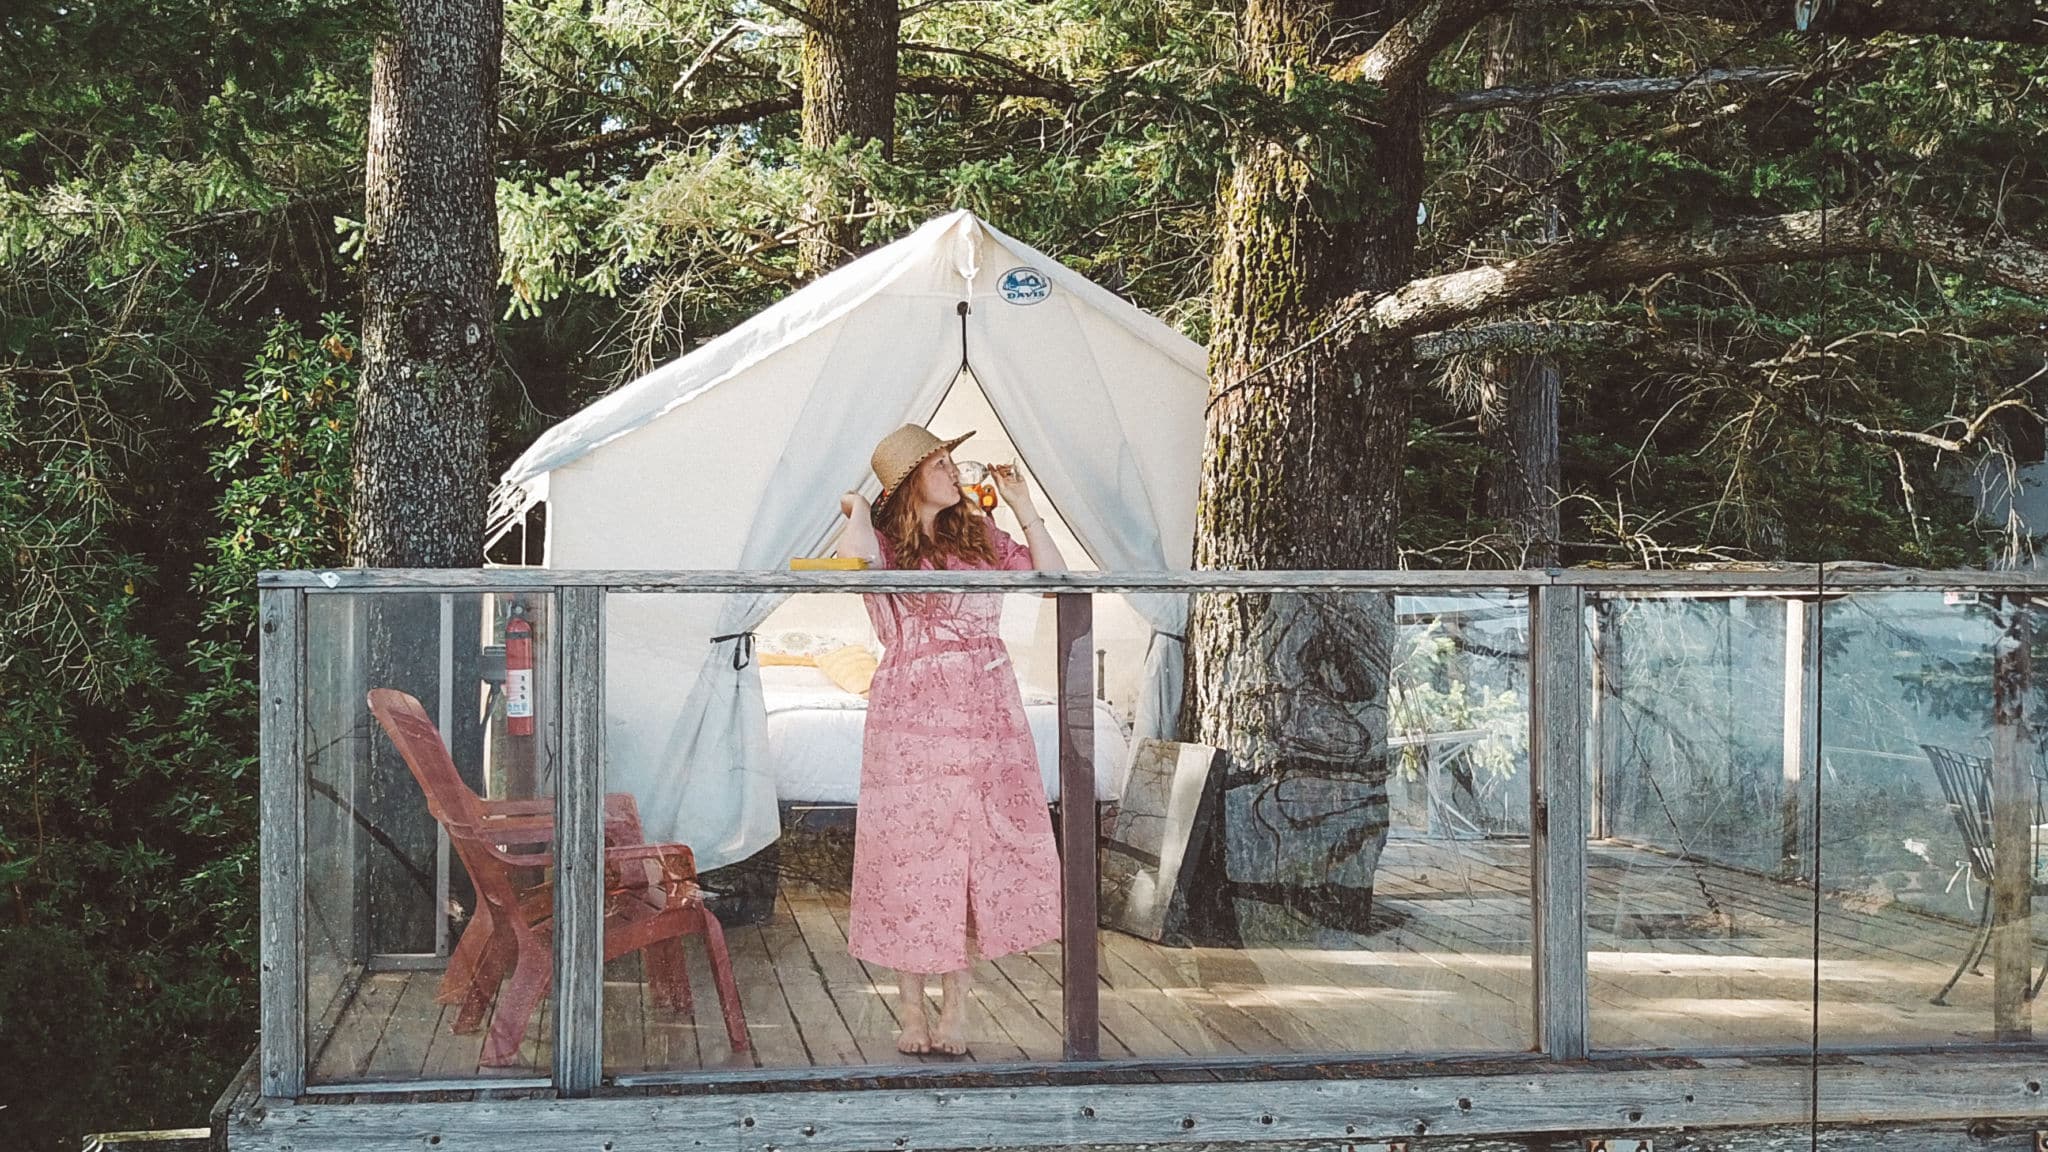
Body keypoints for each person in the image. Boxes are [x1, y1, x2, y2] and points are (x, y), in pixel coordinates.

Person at [832, 423, 1066, 1057]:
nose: (951, 470)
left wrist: (1023, 506)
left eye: (947, 459)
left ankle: (957, 1006)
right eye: (936, 464)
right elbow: (852, 570)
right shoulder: (883, 542)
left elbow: (1054, 582)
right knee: (908, 858)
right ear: (909, 484)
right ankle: (909, 1009)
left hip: (985, 709)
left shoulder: (980, 537)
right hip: (910, 715)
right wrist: (856, 507)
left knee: (967, 857)